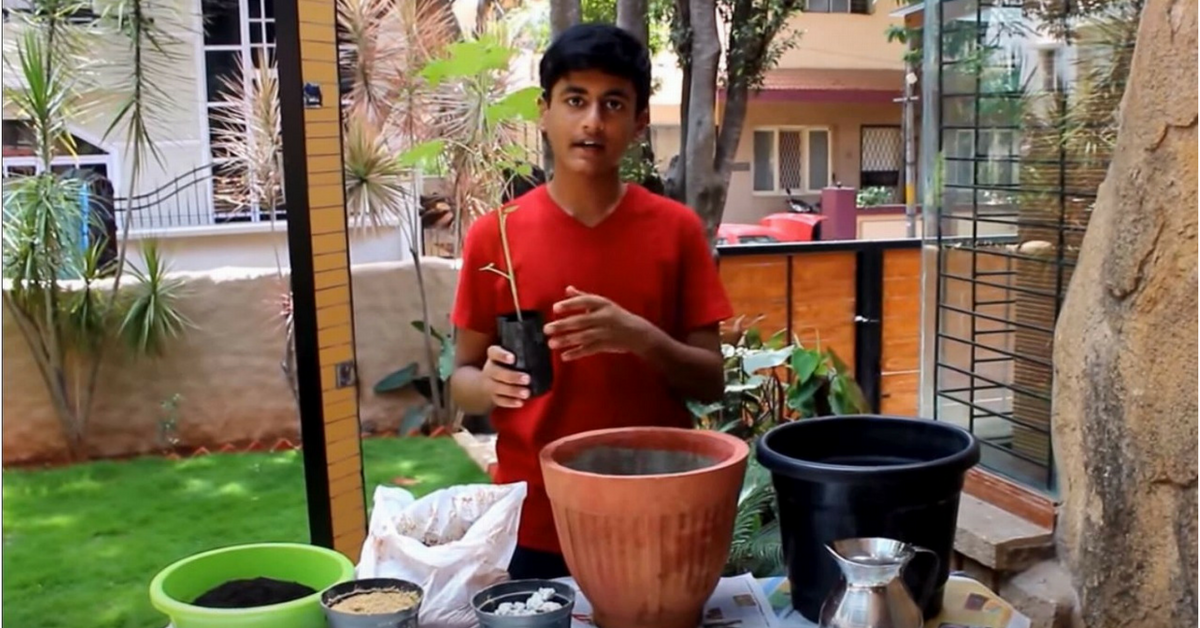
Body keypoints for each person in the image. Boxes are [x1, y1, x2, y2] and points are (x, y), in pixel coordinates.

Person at [448, 22, 734, 580]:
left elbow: (711, 380)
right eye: (575, 100)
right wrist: (489, 384)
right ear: (544, 110)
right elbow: (460, 375)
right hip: (533, 517)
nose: (592, 121)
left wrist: (640, 338)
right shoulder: (495, 235)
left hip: (654, 503)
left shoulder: (675, 230)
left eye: (613, 103)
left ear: (639, 122)